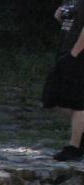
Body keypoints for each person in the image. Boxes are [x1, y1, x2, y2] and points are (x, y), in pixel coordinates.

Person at [44, 1, 84, 160]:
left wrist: (74, 54)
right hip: (65, 52)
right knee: (51, 98)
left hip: (78, 55)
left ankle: (74, 146)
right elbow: (71, 25)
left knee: (78, 102)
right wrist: (59, 17)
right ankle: (79, 135)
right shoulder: (71, 1)